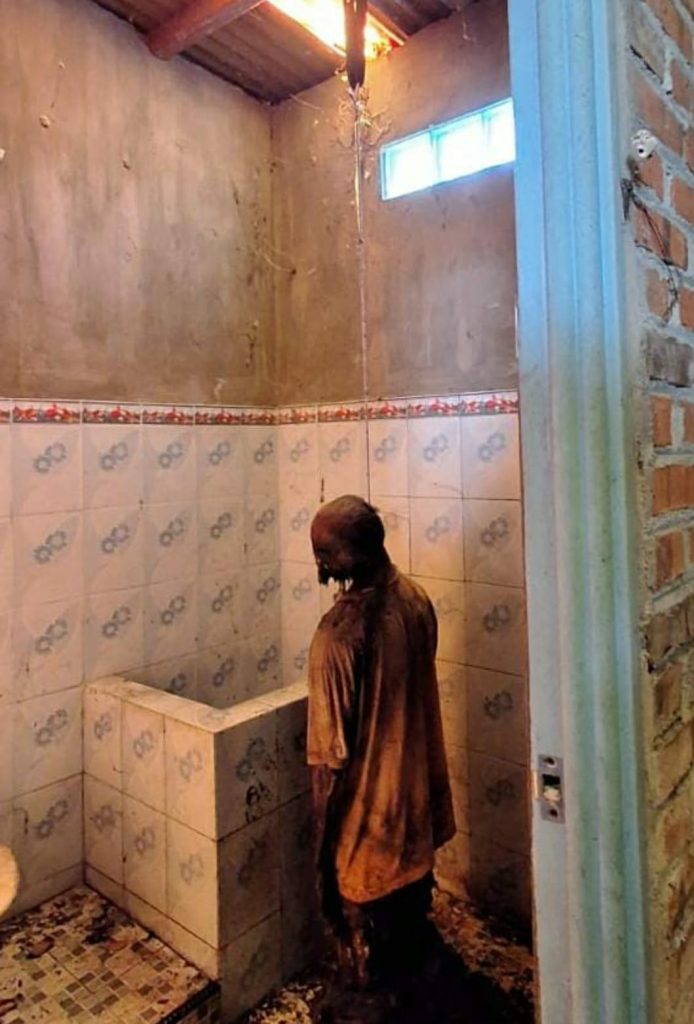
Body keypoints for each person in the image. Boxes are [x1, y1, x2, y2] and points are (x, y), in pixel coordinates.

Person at [306, 495, 455, 1020]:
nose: (319, 566)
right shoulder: (416, 600)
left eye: (324, 554)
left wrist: (322, 845)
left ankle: (375, 999)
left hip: (369, 828)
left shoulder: (338, 636)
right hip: (416, 808)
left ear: (352, 555)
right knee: (409, 922)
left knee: (362, 936)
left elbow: (328, 760)